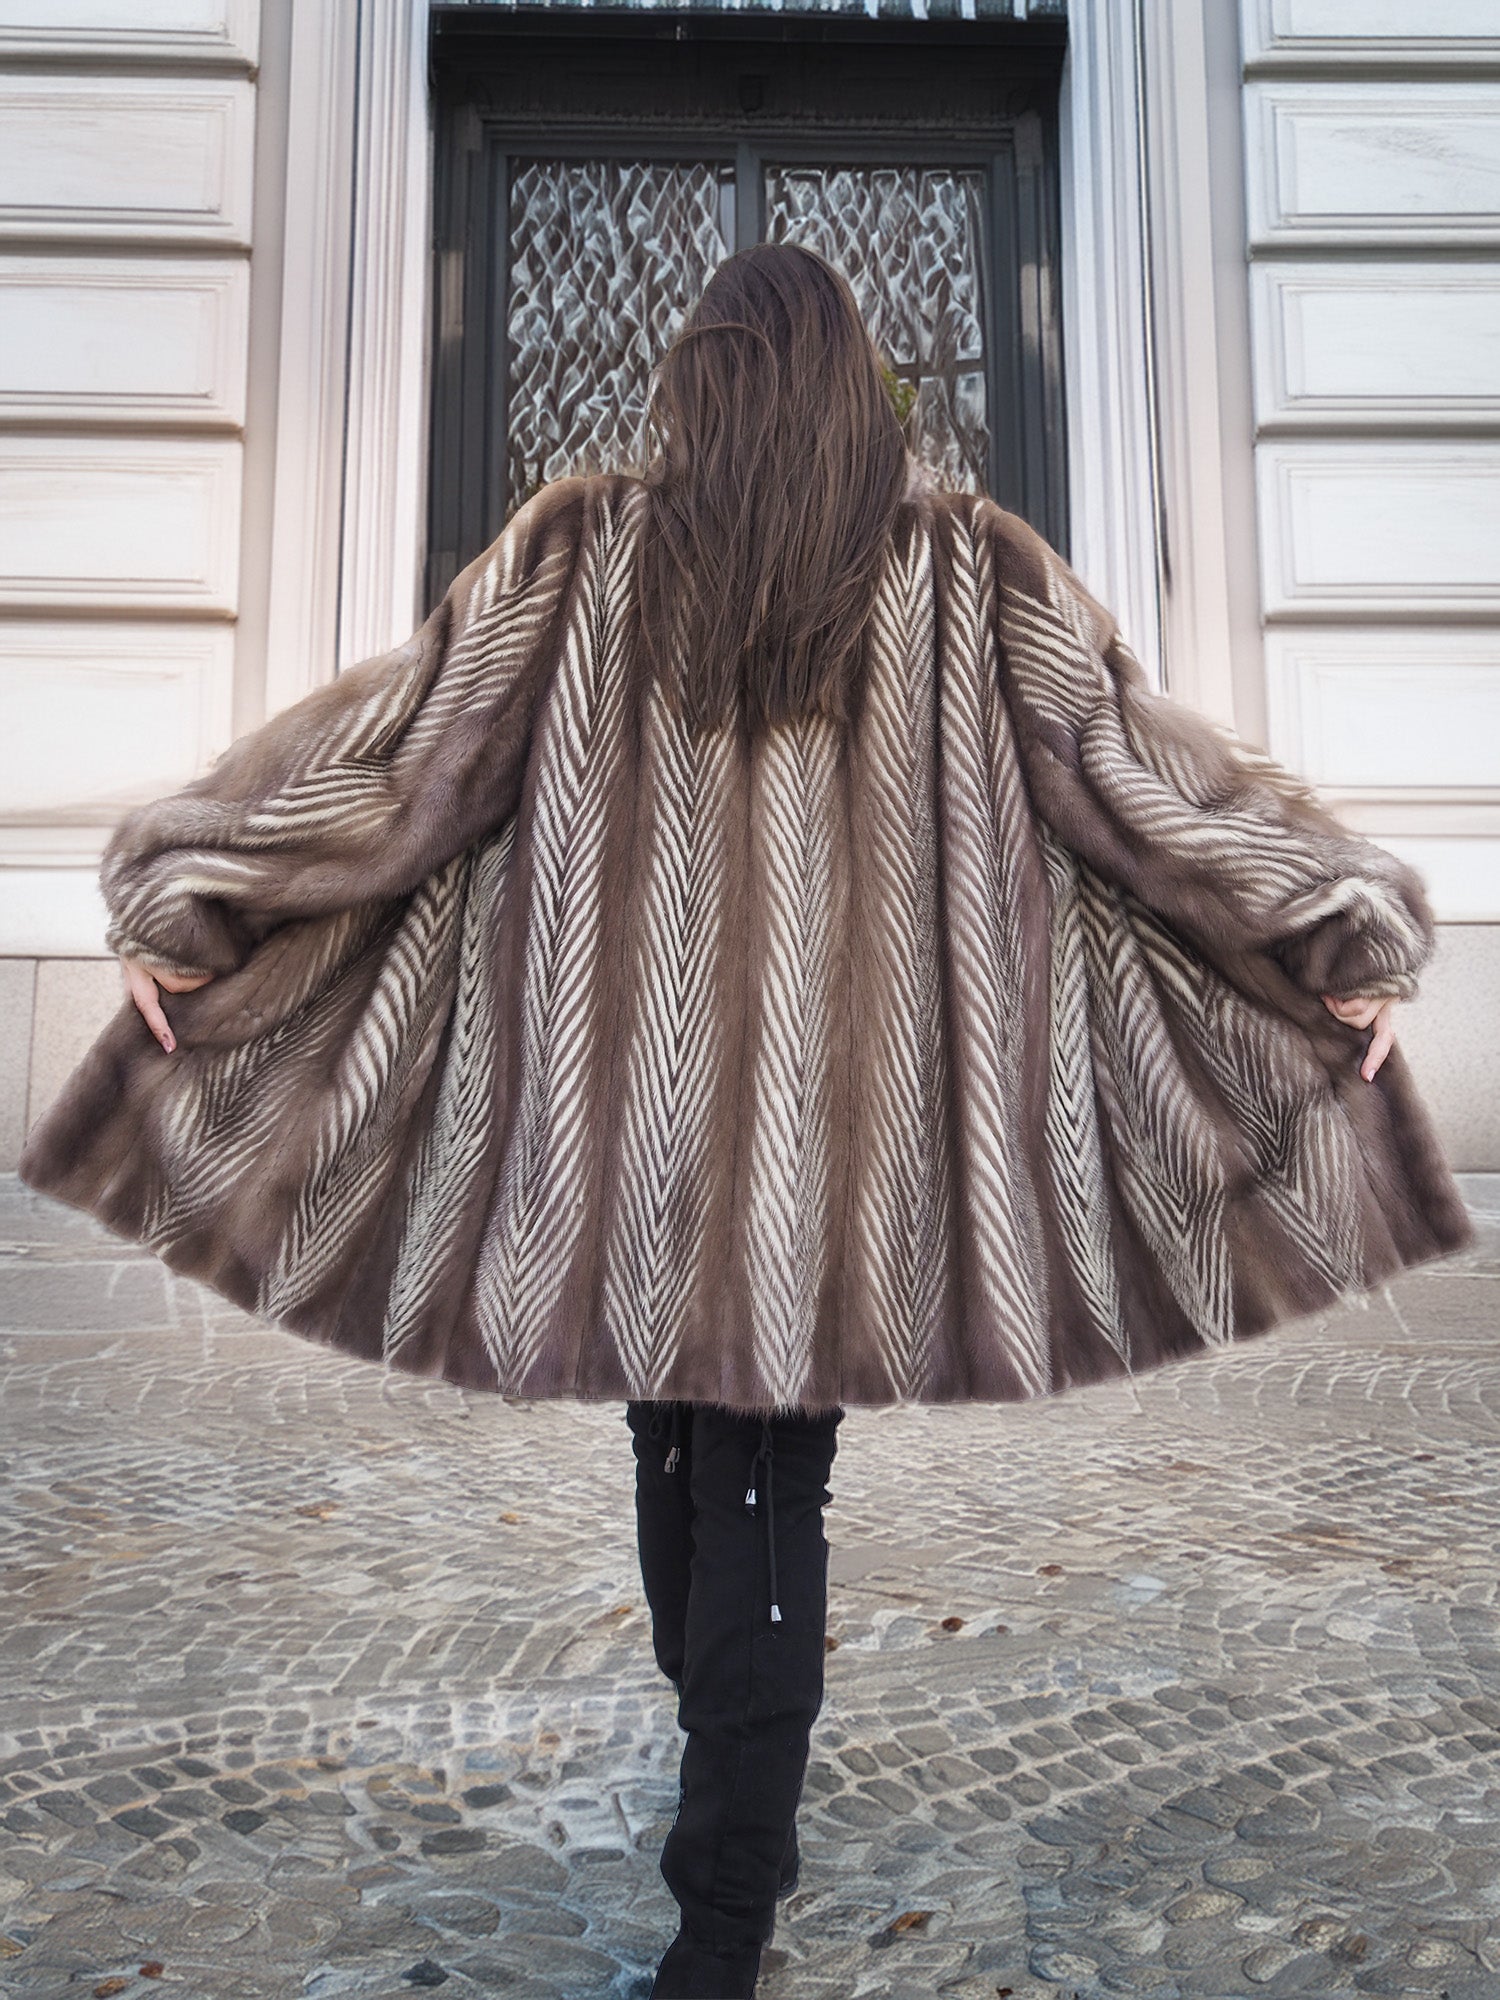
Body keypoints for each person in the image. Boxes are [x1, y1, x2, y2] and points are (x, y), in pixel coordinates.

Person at [19, 243, 1471, 1999]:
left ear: (697, 381)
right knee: (763, 1483)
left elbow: (394, 769)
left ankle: (719, 1914)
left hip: (623, 1134)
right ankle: (729, 1829)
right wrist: (1337, 919)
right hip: (853, 1165)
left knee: (691, 1456)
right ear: (861, 383)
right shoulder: (965, 572)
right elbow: (1145, 784)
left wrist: (191, 890)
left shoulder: (582, 555)